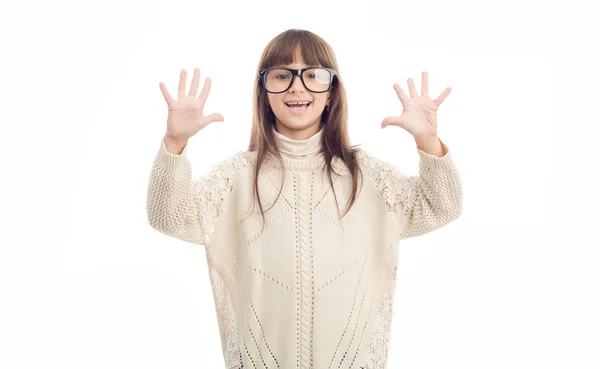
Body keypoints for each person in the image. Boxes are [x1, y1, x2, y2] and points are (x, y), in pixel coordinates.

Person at [146, 28, 462, 369]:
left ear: (331, 93)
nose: (297, 86)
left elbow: (440, 205)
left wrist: (427, 140)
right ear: (264, 91)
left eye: (312, 75)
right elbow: (169, 215)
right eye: (282, 75)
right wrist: (175, 141)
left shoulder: (366, 176)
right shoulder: (237, 177)